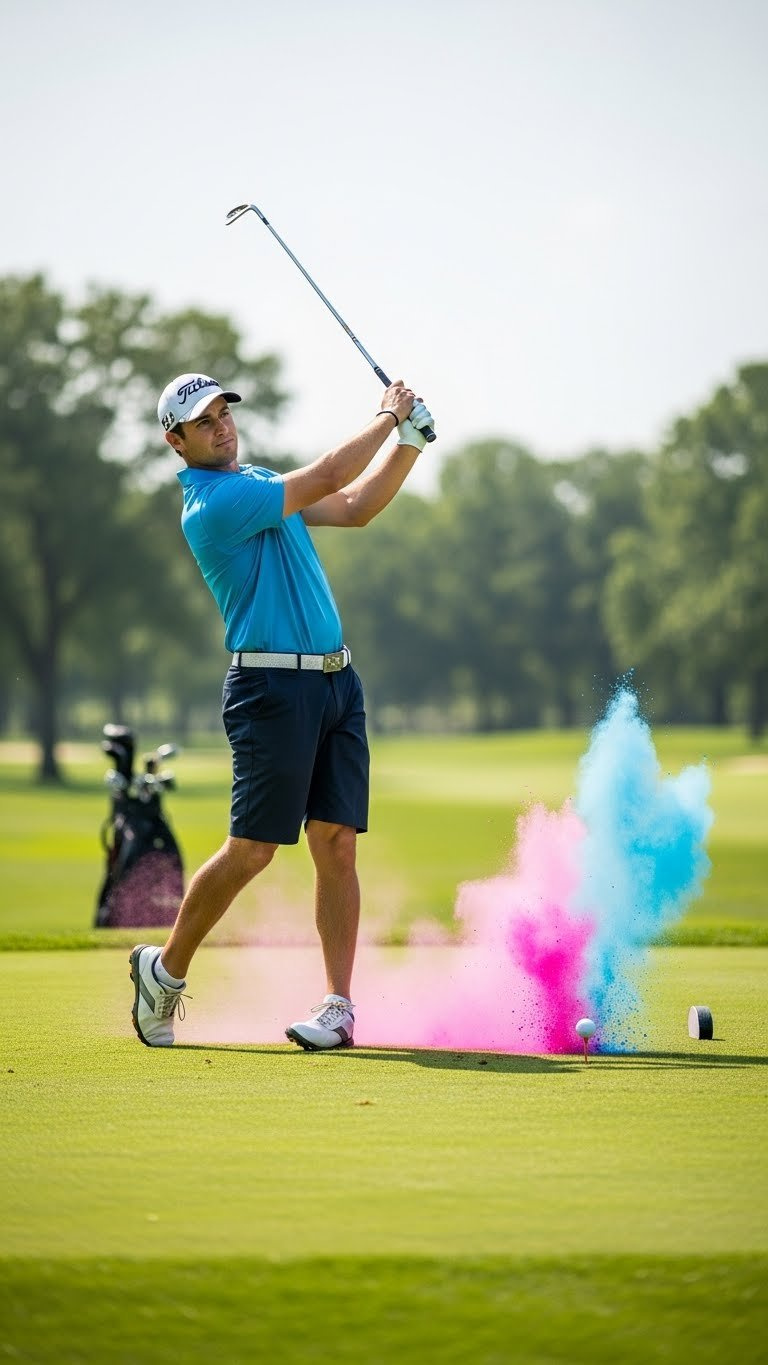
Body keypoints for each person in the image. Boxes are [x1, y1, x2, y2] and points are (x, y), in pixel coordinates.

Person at [130, 371, 434, 1051]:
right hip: (270, 690)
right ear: (176, 441)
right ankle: (164, 971)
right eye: (204, 422)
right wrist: (389, 417)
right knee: (253, 850)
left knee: (337, 841)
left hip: (337, 683)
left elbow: (352, 505)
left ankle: (338, 1007)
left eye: (224, 413)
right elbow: (329, 473)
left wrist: (410, 444)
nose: (222, 427)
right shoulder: (215, 503)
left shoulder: (260, 483)